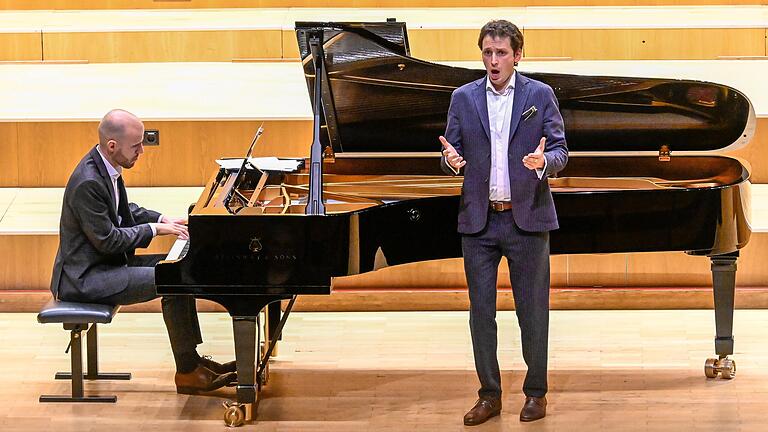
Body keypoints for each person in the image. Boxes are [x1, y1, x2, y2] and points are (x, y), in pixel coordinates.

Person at [50, 109, 236, 394]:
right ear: (112, 146)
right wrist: (154, 230)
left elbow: (125, 211)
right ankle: (187, 372)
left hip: (104, 266)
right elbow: (109, 240)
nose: (142, 151)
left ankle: (193, 361)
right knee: (172, 278)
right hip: (84, 278)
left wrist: (163, 219)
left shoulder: (106, 167)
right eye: (136, 146)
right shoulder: (88, 181)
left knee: (179, 266)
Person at [439, 20, 568, 424]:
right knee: (481, 313)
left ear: (517, 55)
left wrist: (544, 161)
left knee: (533, 311)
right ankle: (489, 395)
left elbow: (561, 150)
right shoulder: (463, 98)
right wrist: (449, 161)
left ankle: (536, 393)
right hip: (479, 222)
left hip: (526, 219)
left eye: (501, 53)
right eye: (487, 53)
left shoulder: (539, 95)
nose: (493, 61)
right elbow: (450, 149)